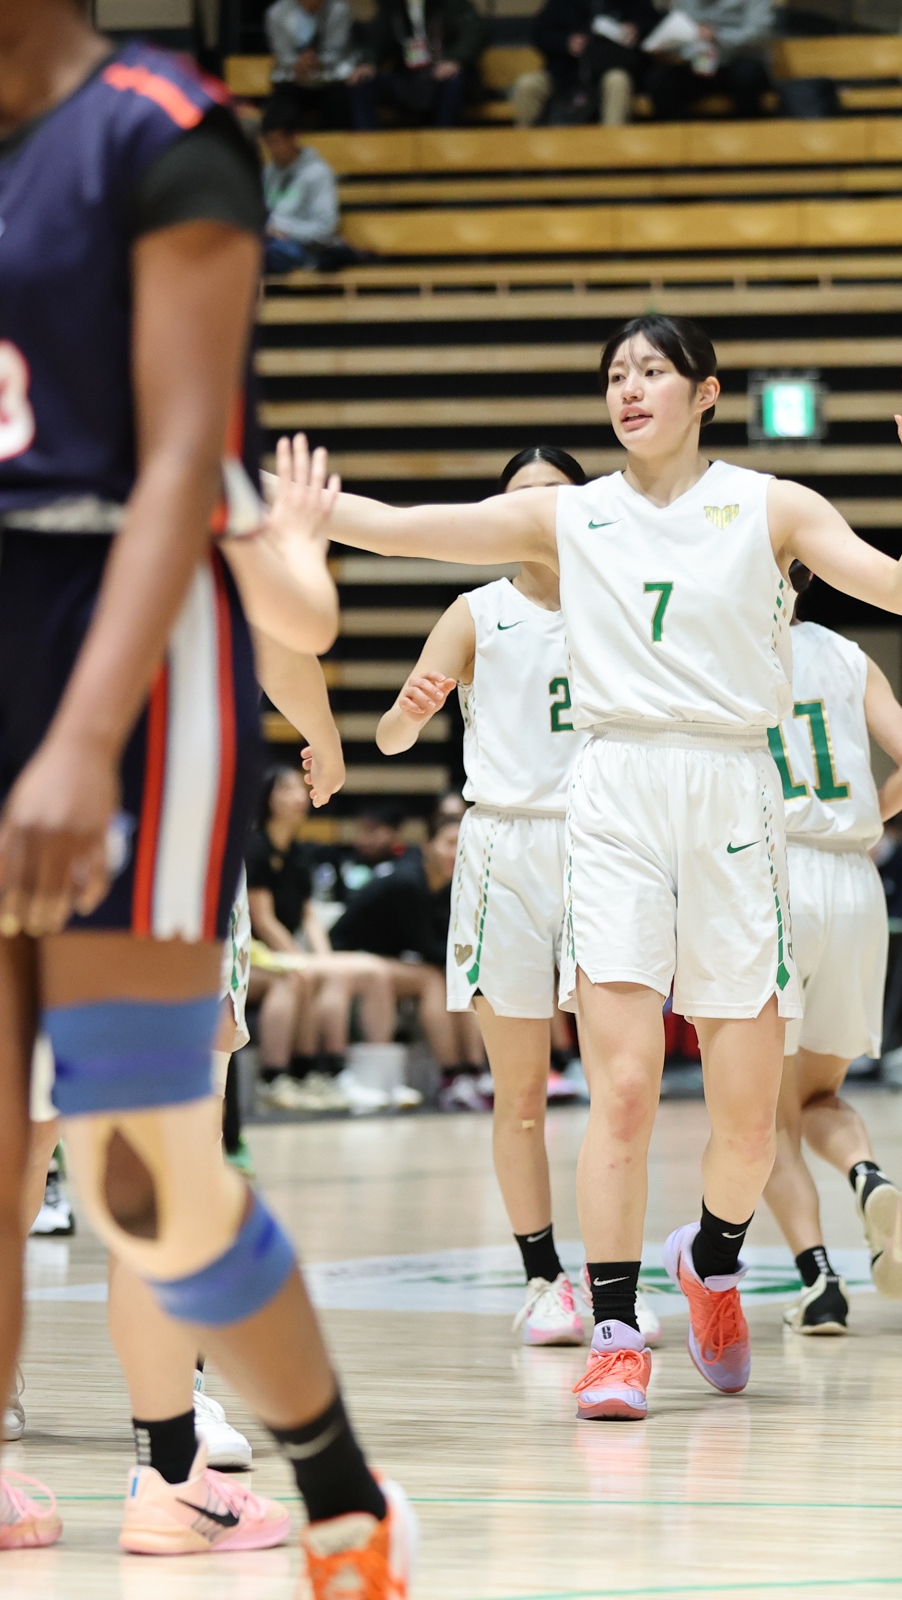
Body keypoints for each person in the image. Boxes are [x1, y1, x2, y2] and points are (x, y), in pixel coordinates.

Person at [0, 1, 412, 1593]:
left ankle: (336, 1481)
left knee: (144, 1182)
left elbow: (185, 460)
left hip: (131, 649)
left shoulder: (169, 134)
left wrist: (81, 738)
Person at [265, 312, 902, 1422]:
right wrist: (266, 495)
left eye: (652, 371)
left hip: (734, 791)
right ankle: (616, 1331)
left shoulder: (771, 505)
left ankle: (714, 1258)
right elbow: (400, 527)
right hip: (618, 793)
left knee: (748, 1125)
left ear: (706, 392)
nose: (630, 389)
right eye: (616, 375)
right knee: (624, 1090)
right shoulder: (571, 513)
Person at [375, 445, 662, 1347]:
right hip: (503, 848)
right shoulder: (476, 612)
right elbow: (388, 739)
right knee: (521, 1093)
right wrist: (410, 713)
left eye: (552, 495)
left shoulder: (625, 601)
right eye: (519, 498)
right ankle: (543, 1280)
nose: (534, 510)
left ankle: (617, 1282)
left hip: (604, 841)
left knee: (621, 1090)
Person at [760, 564, 902, 1335]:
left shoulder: (720, 650)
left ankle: (820, 1283)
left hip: (774, 876)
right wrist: (865, 826)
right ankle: (866, 1174)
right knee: (817, 1099)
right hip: (855, 882)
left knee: (763, 1116)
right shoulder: (848, 655)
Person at [247, 766, 405, 1113]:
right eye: (287, 789)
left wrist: (324, 956)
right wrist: (300, 958)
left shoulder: (298, 853)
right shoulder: (255, 848)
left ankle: (372, 1078)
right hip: (252, 955)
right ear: (268, 799)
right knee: (305, 976)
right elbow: (263, 920)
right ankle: (288, 1076)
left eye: (300, 789)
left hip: (281, 954)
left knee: (368, 972)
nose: (299, 796)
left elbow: (308, 916)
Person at [328, 796, 483, 1102]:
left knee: (454, 977)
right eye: (449, 843)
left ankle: (474, 1072)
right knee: (434, 978)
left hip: (389, 959)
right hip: (348, 955)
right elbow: (426, 945)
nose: (456, 852)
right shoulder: (408, 882)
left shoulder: (449, 886)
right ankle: (452, 1075)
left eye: (464, 845)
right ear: (427, 845)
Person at [513, 0, 658, 127]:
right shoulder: (561, 3)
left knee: (618, 80)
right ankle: (526, 146)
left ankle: (613, 144)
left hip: (609, 69)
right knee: (527, 84)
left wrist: (637, 29)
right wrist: (566, 42)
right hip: (565, 73)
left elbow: (653, 26)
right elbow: (540, 35)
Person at [351, 0, 486, 130]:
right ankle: (368, 141)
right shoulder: (394, 5)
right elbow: (378, 40)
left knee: (454, 82)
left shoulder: (452, 4)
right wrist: (367, 62)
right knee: (362, 83)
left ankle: (444, 137)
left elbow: (472, 34)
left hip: (441, 74)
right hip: (408, 76)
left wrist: (454, 59)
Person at [644, 0, 775, 121]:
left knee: (749, 76)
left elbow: (760, 34)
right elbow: (678, 31)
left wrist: (718, 37)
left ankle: (747, 132)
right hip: (698, 65)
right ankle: (675, 133)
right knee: (659, 80)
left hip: (736, 63)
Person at [260, 103, 344, 275]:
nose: (272, 149)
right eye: (268, 143)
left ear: (294, 137)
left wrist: (283, 229)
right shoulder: (269, 171)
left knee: (267, 253)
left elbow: (325, 228)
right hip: (271, 242)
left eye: (276, 142)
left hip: (304, 248)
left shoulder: (317, 173)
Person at [267, 0, 367, 129]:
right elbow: (282, 53)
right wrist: (298, 63)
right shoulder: (277, 12)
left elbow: (338, 50)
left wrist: (318, 61)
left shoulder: (338, 9)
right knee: (280, 109)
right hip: (292, 80)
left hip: (330, 80)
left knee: (343, 102)